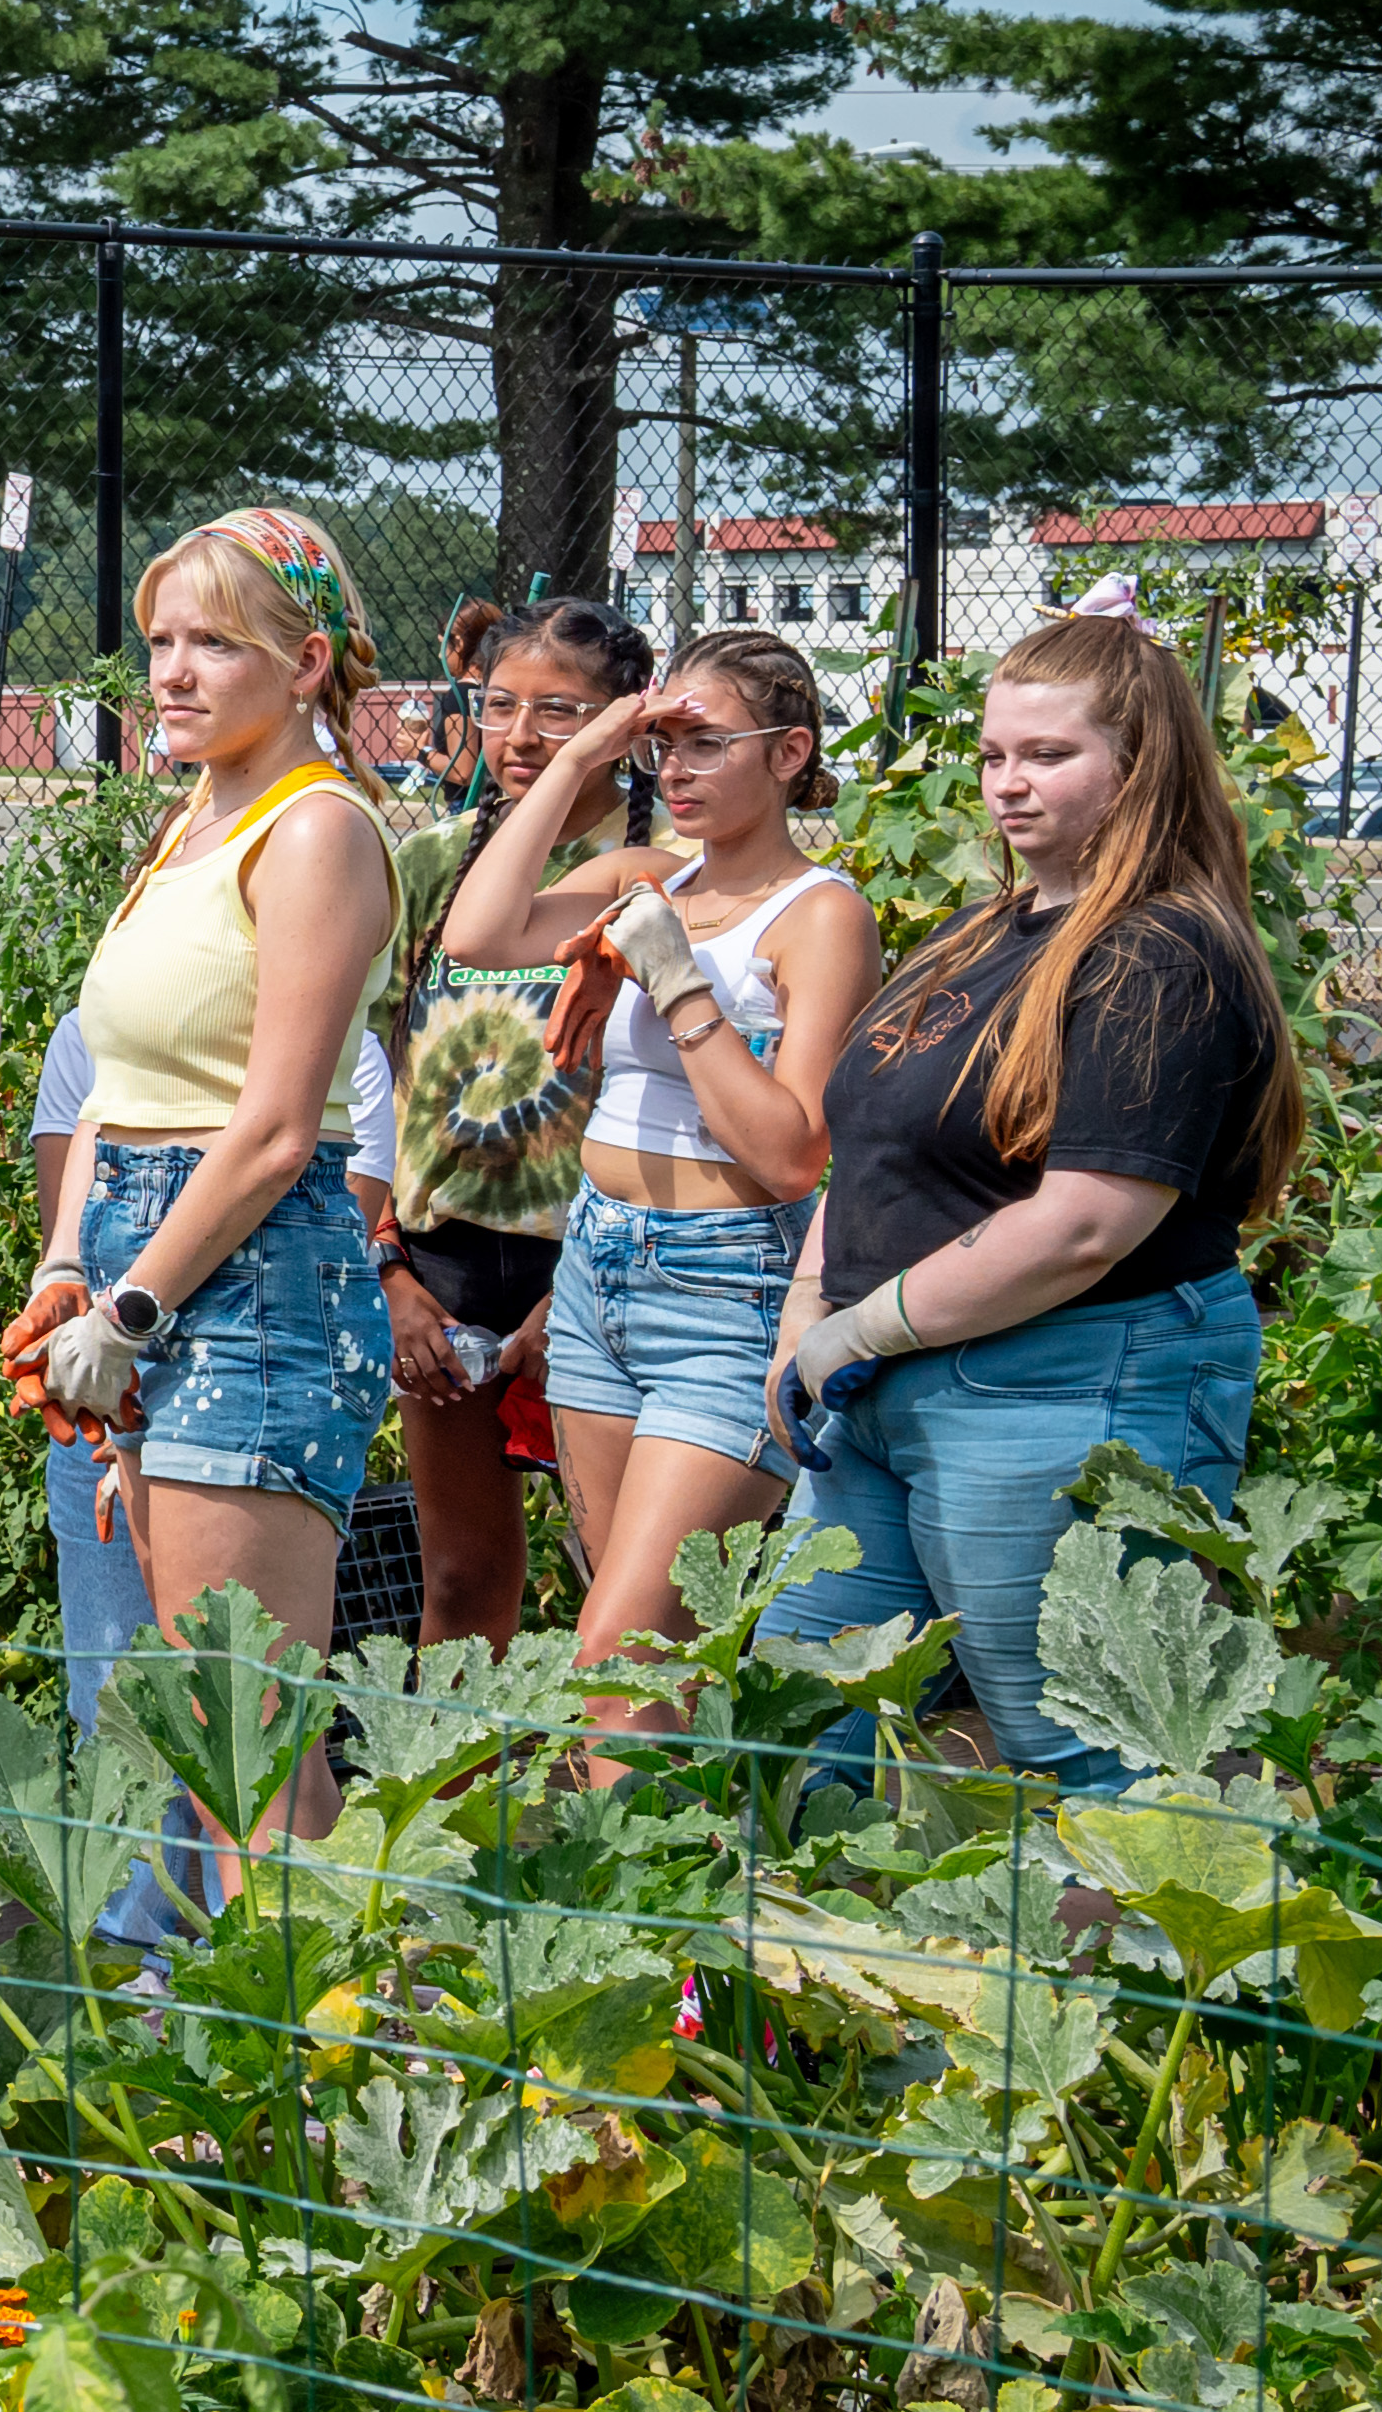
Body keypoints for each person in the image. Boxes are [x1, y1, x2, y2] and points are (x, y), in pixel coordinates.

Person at [771, 611, 1302, 1796]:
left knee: (1085, 1748)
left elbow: (1084, 1224)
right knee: (799, 1727)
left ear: (1140, 764)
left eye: (1049, 756)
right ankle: (815, 1979)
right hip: (885, 1382)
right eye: (996, 753)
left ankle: (1157, 1981)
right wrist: (810, 1307)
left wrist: (858, 1326)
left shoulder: (1157, 956)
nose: (1009, 784)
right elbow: (867, 1148)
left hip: (1064, 1376)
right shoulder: (989, 934)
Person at [19, 512, 399, 1894]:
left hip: (246, 1277)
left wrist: (130, 1304)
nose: (171, 673)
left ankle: (301, 2087)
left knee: (256, 1749)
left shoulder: (316, 832)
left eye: (214, 645)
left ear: (305, 663)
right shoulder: (197, 814)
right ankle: (241, 2064)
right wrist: (69, 1263)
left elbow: (281, 1127)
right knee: (203, 1731)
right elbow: (117, 1080)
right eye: (160, 641)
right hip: (144, 1249)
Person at [442, 629, 880, 1737]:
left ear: (789, 755)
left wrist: (680, 981)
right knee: (637, 1654)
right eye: (661, 748)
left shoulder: (821, 914)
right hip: (599, 1269)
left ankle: (640, 1901)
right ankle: (656, 1888)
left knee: (619, 1656)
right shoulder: (646, 878)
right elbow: (481, 929)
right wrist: (591, 745)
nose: (674, 772)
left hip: (725, 1288)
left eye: (704, 745)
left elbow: (791, 1151)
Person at [380, 596, 663, 1650]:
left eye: (560, 711)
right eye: (498, 706)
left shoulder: (658, 874)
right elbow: (364, 1077)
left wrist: (579, 1289)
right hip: (442, 1271)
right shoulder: (427, 869)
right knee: (460, 1581)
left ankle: (624, 1805)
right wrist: (390, 1271)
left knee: (624, 1583)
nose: (520, 736)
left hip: (593, 1267)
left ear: (620, 726)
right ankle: (449, 1811)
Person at [35, 1013, 401, 1733]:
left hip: (232, 1372)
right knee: (121, 1709)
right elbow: (71, 1245)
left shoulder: (342, 1039)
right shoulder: (94, 1023)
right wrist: (74, 1314)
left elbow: (334, 1234)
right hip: (106, 1381)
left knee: (242, 1735)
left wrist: (135, 1363)